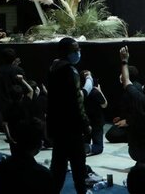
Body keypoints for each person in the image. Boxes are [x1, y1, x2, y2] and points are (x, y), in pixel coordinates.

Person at [47, 37, 92, 194]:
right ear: (66, 52)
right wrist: (85, 123)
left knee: (57, 167)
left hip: (58, 128)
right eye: (75, 50)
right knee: (79, 167)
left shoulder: (53, 69)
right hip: (72, 128)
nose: (78, 52)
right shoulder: (70, 71)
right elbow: (76, 101)